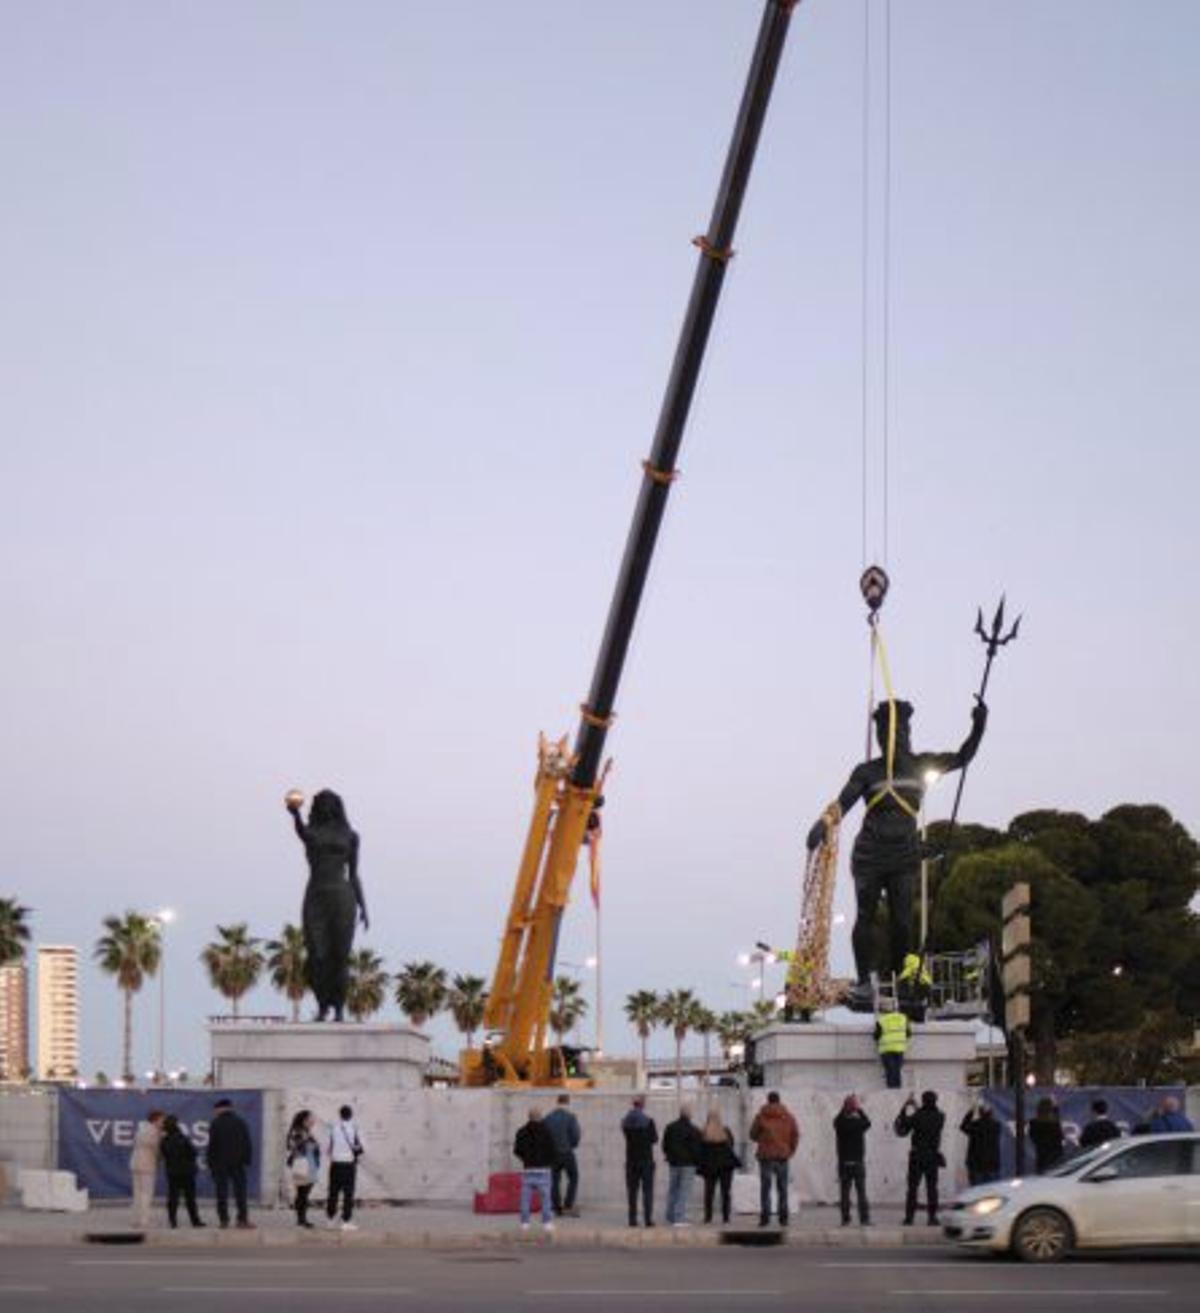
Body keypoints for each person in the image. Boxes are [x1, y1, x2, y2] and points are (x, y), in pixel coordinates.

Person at [807, 697, 986, 1009]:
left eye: (896, 729)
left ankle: (905, 979)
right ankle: (864, 982)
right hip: (870, 853)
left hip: (904, 854)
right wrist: (824, 822)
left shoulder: (921, 765)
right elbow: (844, 802)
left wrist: (979, 724)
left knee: (902, 920)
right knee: (866, 915)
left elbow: (962, 757)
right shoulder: (867, 771)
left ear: (906, 731)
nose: (890, 736)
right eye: (884, 731)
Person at [286, 789, 369, 1022]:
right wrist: (295, 814)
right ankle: (323, 1004)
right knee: (317, 955)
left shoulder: (351, 836)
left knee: (340, 956)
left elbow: (354, 874)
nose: (324, 806)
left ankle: (339, 1008)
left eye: (328, 802)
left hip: (343, 898)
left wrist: (363, 907)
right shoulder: (312, 832)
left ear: (337, 806)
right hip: (316, 897)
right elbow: (302, 832)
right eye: (320, 803)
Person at [749, 1091, 800, 1227]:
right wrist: (790, 1151)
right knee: (782, 1188)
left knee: (765, 1188)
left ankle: (765, 1218)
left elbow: (752, 1135)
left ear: (768, 1100)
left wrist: (762, 1138)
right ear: (779, 1100)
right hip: (783, 1157)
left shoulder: (761, 1117)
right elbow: (795, 1135)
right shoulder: (788, 1117)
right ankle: (783, 1218)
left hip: (766, 1156)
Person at [895, 1091, 945, 1226]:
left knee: (912, 1188)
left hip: (917, 1156)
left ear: (923, 1101)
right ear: (935, 1100)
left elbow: (904, 1124)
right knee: (932, 1188)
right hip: (932, 1156)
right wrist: (917, 1107)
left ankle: (909, 1218)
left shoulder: (917, 1116)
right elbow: (926, 1117)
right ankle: (932, 1218)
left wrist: (906, 1106)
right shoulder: (940, 1117)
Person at [207, 1098, 254, 1230]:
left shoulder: (215, 1123)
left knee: (221, 1193)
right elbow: (247, 1143)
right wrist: (246, 1160)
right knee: (241, 1193)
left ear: (221, 1108)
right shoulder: (241, 1122)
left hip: (220, 1164)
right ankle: (242, 1220)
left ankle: (224, 1220)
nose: (215, 1112)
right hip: (238, 1163)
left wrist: (211, 1164)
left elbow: (212, 1146)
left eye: (216, 1109)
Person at [512, 1107, 556, 1233]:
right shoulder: (547, 1131)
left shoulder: (521, 1131)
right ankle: (547, 1223)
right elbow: (552, 1150)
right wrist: (548, 1162)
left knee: (525, 1198)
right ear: (540, 1117)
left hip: (528, 1170)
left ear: (529, 1117)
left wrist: (526, 1159)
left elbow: (516, 1150)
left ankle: (525, 1223)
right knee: (546, 1198)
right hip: (543, 1170)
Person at [662, 1103, 703, 1227]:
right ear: (689, 1115)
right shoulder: (694, 1130)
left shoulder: (670, 1127)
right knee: (683, 1191)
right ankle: (679, 1218)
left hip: (673, 1163)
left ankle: (670, 1215)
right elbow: (697, 1149)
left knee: (673, 1189)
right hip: (688, 1164)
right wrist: (697, 1162)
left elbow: (665, 1145)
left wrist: (669, 1156)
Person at [160, 1114, 204, 1229]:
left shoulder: (165, 1140)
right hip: (187, 1172)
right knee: (190, 1198)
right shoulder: (183, 1138)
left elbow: (164, 1155)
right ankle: (195, 1221)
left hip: (172, 1172)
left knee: (173, 1198)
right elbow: (193, 1153)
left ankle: (173, 1221)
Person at [833, 1094, 871, 1226]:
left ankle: (845, 1219)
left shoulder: (839, 1123)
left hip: (844, 1163)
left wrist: (846, 1107)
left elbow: (836, 1120)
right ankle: (864, 1219)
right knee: (861, 1192)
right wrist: (858, 1109)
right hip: (858, 1162)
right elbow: (868, 1122)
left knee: (844, 1193)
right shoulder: (858, 1123)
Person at [542, 1093, 582, 1218]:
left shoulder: (548, 1118)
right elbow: (575, 1135)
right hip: (567, 1152)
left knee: (555, 1180)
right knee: (574, 1177)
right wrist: (571, 1145)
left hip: (552, 1154)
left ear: (557, 1102)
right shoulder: (570, 1117)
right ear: (567, 1102)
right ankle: (568, 1205)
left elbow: (544, 1137)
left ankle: (556, 1207)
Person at [621, 1096, 658, 1229]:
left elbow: (626, 1137)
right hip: (646, 1160)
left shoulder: (625, 1122)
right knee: (647, 1191)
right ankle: (648, 1220)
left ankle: (632, 1220)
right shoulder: (649, 1121)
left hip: (631, 1160)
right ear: (643, 1105)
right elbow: (654, 1139)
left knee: (632, 1191)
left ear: (633, 1104)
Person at [697, 1109, 739, 1225]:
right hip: (726, 1165)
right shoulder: (726, 1131)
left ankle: (708, 1217)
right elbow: (731, 1144)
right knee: (725, 1192)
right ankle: (726, 1217)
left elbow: (700, 1149)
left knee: (709, 1192)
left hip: (710, 1166)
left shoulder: (703, 1132)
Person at [326, 1104, 364, 1230]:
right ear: (351, 1115)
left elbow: (328, 1148)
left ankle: (330, 1220)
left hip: (335, 1164)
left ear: (340, 1115)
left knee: (333, 1192)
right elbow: (360, 1147)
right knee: (348, 1193)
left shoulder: (333, 1128)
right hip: (348, 1165)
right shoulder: (355, 1128)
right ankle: (346, 1221)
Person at [286, 1109, 321, 1229]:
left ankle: (302, 1219)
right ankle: (301, 1220)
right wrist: (309, 1144)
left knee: (304, 1193)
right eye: (311, 1118)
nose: (313, 1120)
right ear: (305, 1119)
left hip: (310, 1164)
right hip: (302, 1165)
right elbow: (292, 1146)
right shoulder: (298, 1131)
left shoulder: (306, 1131)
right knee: (302, 1193)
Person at [128, 1109, 163, 1230]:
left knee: (137, 1193)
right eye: (161, 1120)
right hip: (147, 1165)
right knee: (146, 1194)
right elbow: (155, 1149)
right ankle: (144, 1221)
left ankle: (136, 1220)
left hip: (135, 1163)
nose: (162, 1123)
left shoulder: (141, 1129)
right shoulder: (153, 1131)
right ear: (156, 1119)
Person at [959, 1104, 1001, 1186]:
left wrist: (970, 1113)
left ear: (980, 1113)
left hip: (976, 1164)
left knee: (976, 1191)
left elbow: (963, 1126)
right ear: (991, 1113)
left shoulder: (975, 1125)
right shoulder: (996, 1126)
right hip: (991, 1164)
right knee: (991, 1192)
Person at [874, 999, 911, 1089]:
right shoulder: (903, 1018)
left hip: (886, 1049)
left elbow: (876, 1035)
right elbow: (908, 1033)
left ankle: (891, 1089)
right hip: (900, 1048)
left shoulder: (881, 1020)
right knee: (897, 1070)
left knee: (890, 1071)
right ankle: (897, 1088)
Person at [1028, 1097, 1064, 1173]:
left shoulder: (1034, 1123)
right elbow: (1060, 1137)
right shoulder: (1054, 1124)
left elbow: (1033, 1138)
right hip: (1055, 1156)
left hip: (1041, 1155)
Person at [897, 953, 932, 1022]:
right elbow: (929, 987)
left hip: (905, 1005)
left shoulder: (905, 974)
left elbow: (899, 985)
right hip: (920, 1005)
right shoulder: (923, 974)